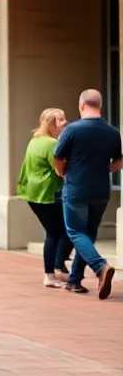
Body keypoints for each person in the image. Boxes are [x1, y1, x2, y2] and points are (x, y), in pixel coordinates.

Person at [53, 89, 121, 299]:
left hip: (76, 188)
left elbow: (58, 156)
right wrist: (105, 170)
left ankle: (100, 267)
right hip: (101, 190)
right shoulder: (112, 132)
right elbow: (119, 160)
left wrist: (62, 172)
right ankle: (74, 281)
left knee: (75, 231)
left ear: (81, 105)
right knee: (88, 234)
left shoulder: (73, 130)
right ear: (99, 106)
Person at [17, 108, 72, 288]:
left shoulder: (35, 141)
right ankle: (50, 274)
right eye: (61, 119)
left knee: (61, 230)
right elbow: (59, 170)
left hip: (33, 193)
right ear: (51, 123)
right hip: (45, 194)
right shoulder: (51, 144)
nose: (65, 122)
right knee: (56, 232)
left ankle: (58, 268)